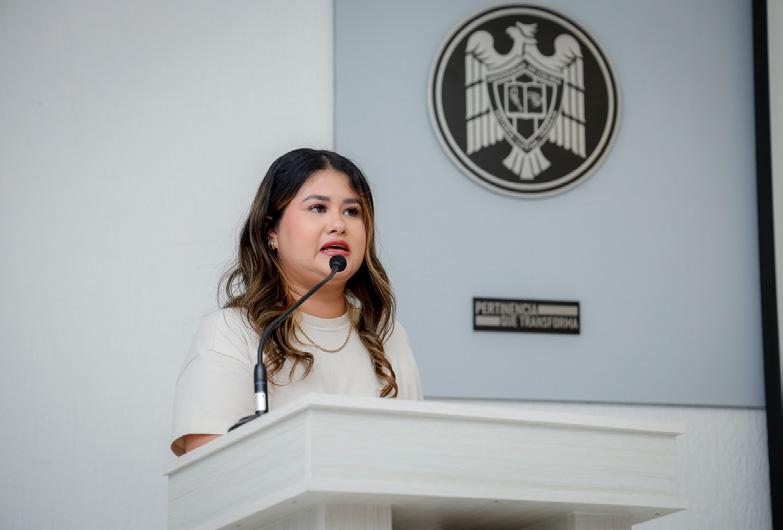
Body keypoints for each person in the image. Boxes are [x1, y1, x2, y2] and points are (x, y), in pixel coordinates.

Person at [170, 148, 423, 456]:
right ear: (271, 231)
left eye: (352, 211)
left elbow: (416, 456)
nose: (338, 224)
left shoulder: (388, 334)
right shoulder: (230, 333)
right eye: (318, 208)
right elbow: (210, 472)